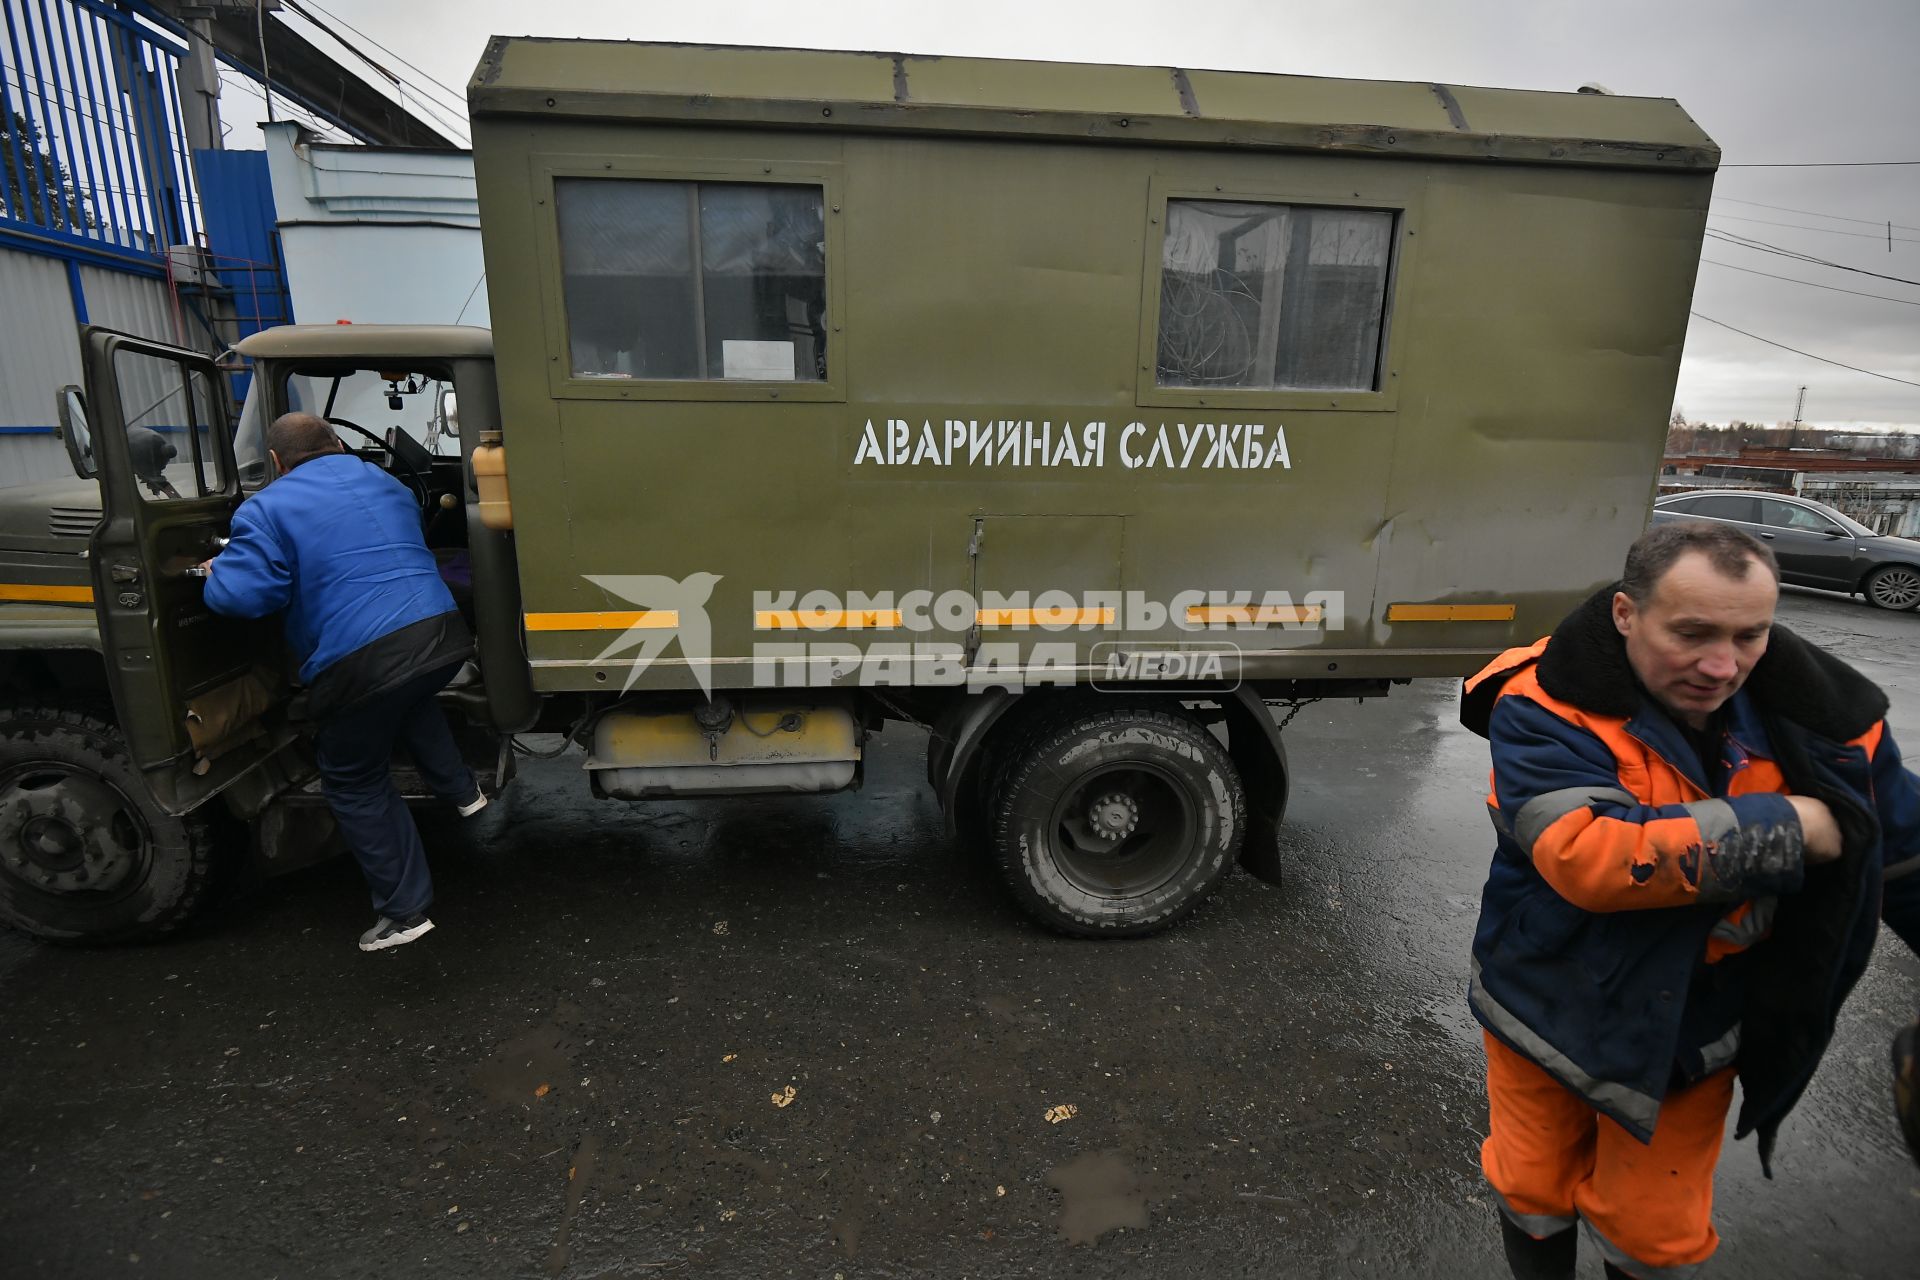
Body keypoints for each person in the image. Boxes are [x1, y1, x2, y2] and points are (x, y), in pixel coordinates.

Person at [1459, 521, 1920, 1279]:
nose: (1721, 665)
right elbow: (1590, 856)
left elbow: (1905, 858)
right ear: (1625, 614)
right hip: (1544, 997)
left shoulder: (1832, 720)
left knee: (1655, 1231)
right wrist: (1793, 829)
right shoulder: (1544, 703)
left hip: (1692, 1022)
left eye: (1750, 636)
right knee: (1530, 1182)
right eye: (1693, 633)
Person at [202, 412, 486, 952]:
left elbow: (246, 598)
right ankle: (462, 790)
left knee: (354, 778)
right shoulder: (384, 481)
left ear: (278, 463)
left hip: (362, 659)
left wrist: (218, 574)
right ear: (336, 444)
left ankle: (404, 913)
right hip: (442, 634)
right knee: (406, 694)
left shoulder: (264, 507)